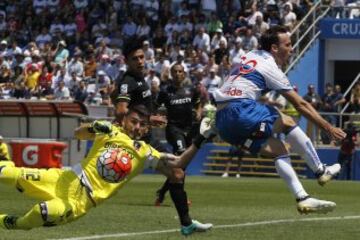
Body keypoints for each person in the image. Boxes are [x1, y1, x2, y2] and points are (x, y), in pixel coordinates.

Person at [0, 105, 213, 235]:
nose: (137, 127)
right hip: (62, 178)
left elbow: (178, 164)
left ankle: (13, 223)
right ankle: (4, 157)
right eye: (134, 121)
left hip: (79, 202)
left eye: (141, 125)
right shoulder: (109, 131)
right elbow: (78, 133)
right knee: (6, 173)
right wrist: (93, 127)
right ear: (124, 120)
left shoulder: (145, 152)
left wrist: (200, 139)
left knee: (42, 212)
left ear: (147, 129)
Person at [211, 25, 347, 214]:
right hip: (241, 110)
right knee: (288, 121)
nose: (292, 49)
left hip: (223, 123)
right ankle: (320, 170)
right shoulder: (270, 66)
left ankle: (303, 198)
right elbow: (301, 104)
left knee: (278, 149)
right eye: (288, 44)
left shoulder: (250, 55)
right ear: (274, 48)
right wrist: (327, 127)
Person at [154, 63, 201, 206]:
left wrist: (198, 112)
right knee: (181, 156)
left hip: (189, 129)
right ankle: (182, 197)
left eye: (180, 71)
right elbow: (154, 106)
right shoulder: (165, 92)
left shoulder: (191, 90)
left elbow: (198, 103)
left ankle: (162, 192)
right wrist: (156, 116)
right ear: (171, 74)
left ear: (184, 74)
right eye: (175, 72)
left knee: (181, 165)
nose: (177, 74)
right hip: (174, 129)